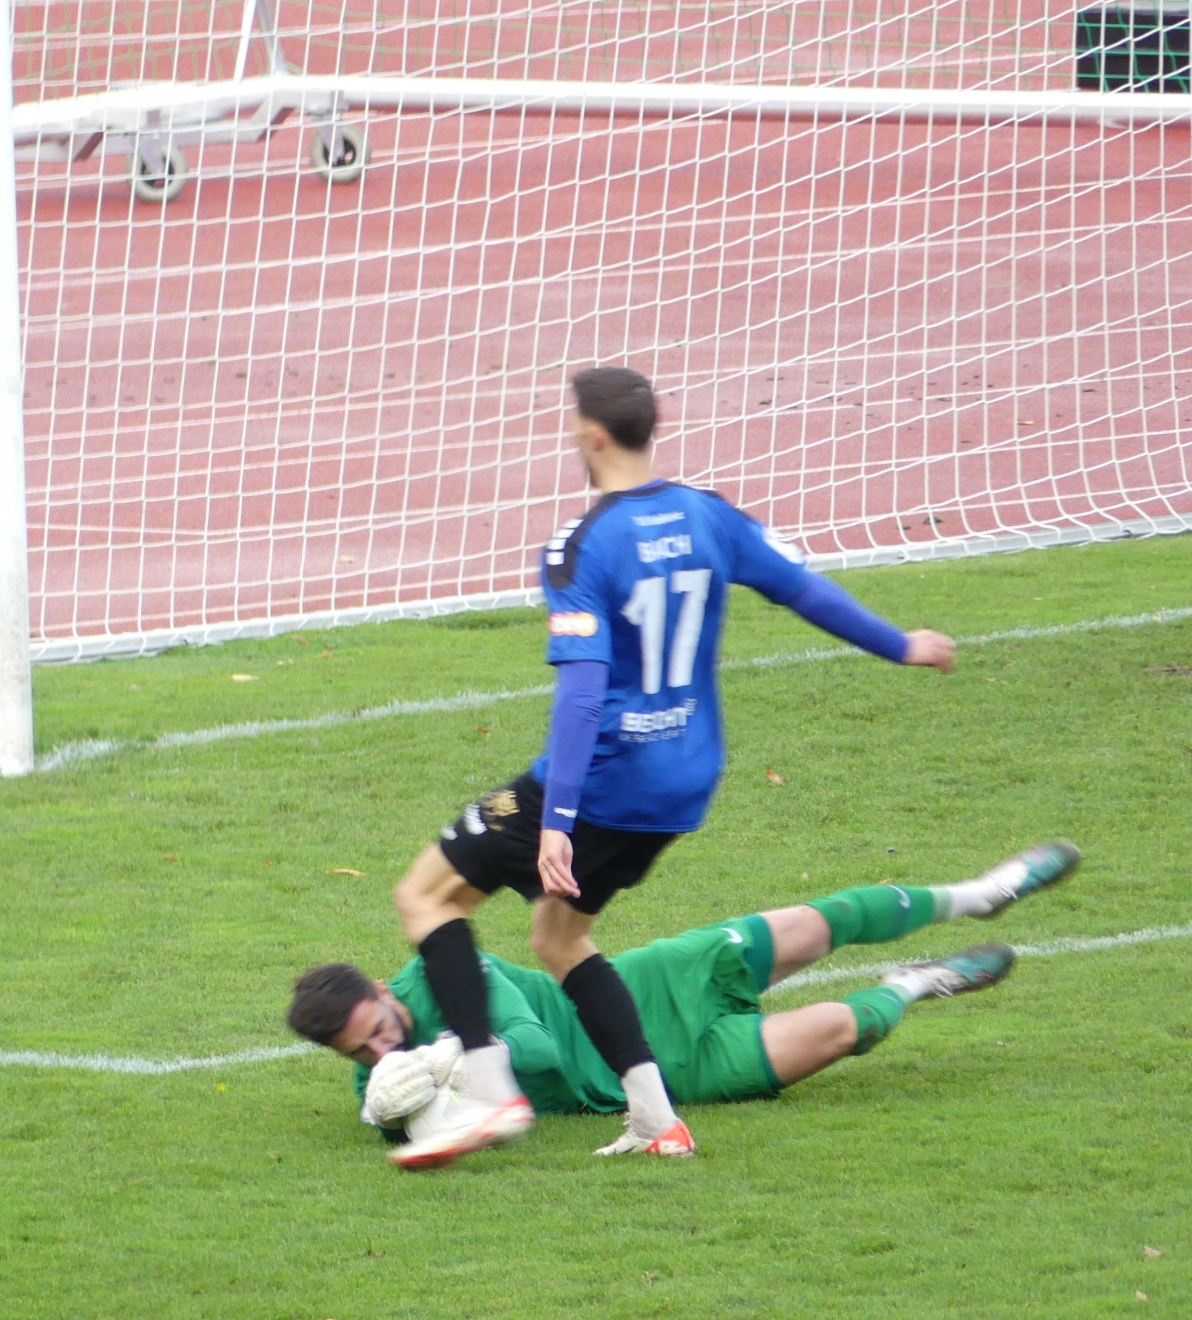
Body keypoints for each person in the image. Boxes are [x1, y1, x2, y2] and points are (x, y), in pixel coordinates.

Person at [387, 366, 957, 1169]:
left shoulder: (581, 545)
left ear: (591, 435)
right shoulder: (707, 515)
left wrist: (556, 820)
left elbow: (584, 692)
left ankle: (488, 1090)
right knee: (559, 938)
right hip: (681, 784)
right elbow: (801, 589)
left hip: (604, 779)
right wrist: (900, 644)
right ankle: (656, 1120)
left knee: (425, 895)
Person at [292, 842, 1080, 1164]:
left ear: (382, 990)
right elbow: (393, 1115)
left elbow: (533, 1052)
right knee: (841, 1029)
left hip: (649, 986)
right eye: (360, 1052)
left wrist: (438, 1061)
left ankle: (981, 893)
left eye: (378, 1031)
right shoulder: (379, 1075)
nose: (380, 1052)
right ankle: (920, 981)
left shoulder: (446, 974)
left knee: (817, 923)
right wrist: (389, 1113)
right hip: (663, 1077)